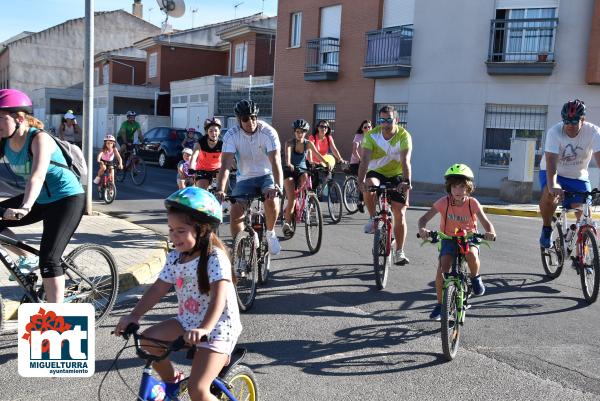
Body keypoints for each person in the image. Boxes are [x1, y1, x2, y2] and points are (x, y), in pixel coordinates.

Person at [114, 187, 242, 401]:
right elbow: (157, 289)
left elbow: (218, 300)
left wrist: (204, 328)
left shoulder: (215, 258)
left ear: (202, 230)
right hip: (187, 322)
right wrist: (134, 316)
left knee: (198, 390)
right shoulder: (175, 258)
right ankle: (173, 380)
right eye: (171, 229)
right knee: (147, 341)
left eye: (180, 230)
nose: (174, 236)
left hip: (217, 329)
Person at [0, 89, 84, 303]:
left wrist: (25, 207)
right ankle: (25, 261)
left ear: (19, 118)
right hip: (40, 199)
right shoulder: (4, 141)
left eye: (0, 117)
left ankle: (56, 318)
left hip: (67, 198)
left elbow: (36, 177)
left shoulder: (39, 139)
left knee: (49, 260)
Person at [417, 164, 496, 320]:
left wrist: (490, 232)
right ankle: (440, 305)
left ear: (468, 188)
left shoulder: (472, 203)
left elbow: (486, 223)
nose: (458, 191)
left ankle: (475, 278)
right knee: (442, 270)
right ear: (449, 188)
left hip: (468, 238)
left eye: (462, 187)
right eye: (454, 187)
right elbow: (423, 219)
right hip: (448, 238)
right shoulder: (443, 202)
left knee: (471, 255)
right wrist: (422, 229)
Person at [215, 99, 283, 255]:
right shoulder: (231, 135)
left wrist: (277, 186)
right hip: (244, 179)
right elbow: (225, 165)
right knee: (235, 212)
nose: (251, 122)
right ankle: (239, 255)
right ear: (238, 120)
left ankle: (270, 234)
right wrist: (220, 190)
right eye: (246, 119)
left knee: (272, 199)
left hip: (267, 175)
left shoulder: (268, 132)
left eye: (253, 117)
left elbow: (275, 161)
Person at [539, 99, 600, 248]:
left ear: (583, 120)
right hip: (554, 172)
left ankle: (584, 256)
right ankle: (547, 228)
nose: (570, 125)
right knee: (550, 193)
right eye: (566, 121)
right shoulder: (554, 132)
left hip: (578, 176)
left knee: (585, 215)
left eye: (574, 121)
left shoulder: (594, 132)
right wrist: (553, 185)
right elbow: (551, 161)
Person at [357, 105, 412, 265]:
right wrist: (360, 182)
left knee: (399, 213)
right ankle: (373, 217)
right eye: (382, 120)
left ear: (396, 119)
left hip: (397, 175)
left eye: (389, 119)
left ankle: (399, 252)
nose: (385, 123)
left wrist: (406, 182)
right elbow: (365, 160)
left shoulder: (404, 135)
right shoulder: (372, 135)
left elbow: (405, 161)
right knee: (369, 184)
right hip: (377, 172)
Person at [282, 119, 330, 238]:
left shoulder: (308, 143)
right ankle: (287, 223)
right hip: (290, 171)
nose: (300, 134)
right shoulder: (289, 142)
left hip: (302, 171)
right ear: (294, 132)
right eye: (298, 131)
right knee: (292, 198)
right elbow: (287, 156)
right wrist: (289, 163)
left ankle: (306, 201)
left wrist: (325, 163)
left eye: (302, 132)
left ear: (305, 132)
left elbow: (317, 154)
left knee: (305, 176)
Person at [191, 118, 223, 190]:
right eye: (210, 131)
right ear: (207, 132)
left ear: (219, 132)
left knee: (221, 187)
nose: (213, 133)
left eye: (216, 131)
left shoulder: (222, 143)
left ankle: (220, 199)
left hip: (217, 169)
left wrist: (232, 167)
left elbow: (228, 157)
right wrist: (192, 167)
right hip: (203, 169)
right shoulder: (201, 142)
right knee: (202, 190)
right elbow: (194, 156)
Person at [348, 119, 371, 213]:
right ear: (362, 128)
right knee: (363, 180)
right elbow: (354, 150)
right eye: (365, 127)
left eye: (369, 126)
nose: (367, 128)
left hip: (368, 163)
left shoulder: (373, 136)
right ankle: (360, 201)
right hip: (356, 163)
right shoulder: (358, 136)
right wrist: (361, 159)